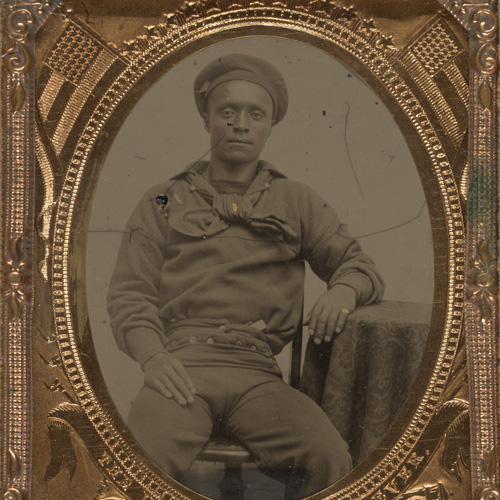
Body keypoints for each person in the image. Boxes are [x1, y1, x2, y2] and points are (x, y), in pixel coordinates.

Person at [107, 53, 384, 498]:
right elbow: (129, 294)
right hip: (181, 368)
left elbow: (359, 265)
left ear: (270, 124)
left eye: (255, 113)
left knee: (329, 456)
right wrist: (153, 358)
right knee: (136, 462)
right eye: (227, 111)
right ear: (207, 118)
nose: (240, 124)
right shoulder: (163, 198)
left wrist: (345, 290)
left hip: (257, 375)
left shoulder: (297, 200)